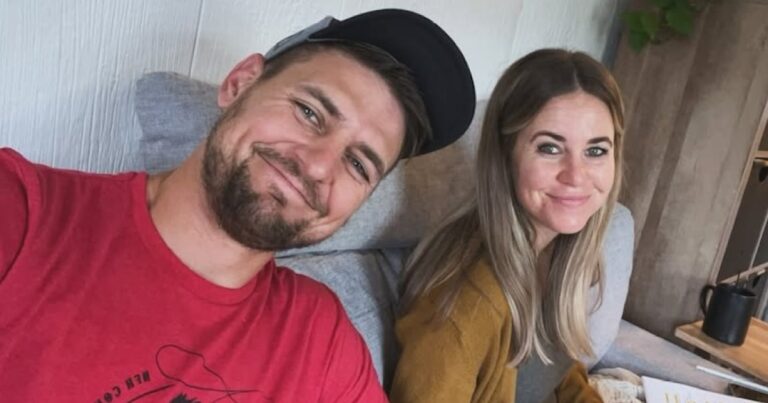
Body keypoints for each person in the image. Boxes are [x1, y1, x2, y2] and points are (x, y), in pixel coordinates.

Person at [0, 9, 475, 402]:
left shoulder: (320, 336)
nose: (317, 166)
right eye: (310, 112)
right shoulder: (24, 210)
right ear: (239, 83)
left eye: (357, 164)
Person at [391, 48, 625, 402]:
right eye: (549, 148)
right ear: (504, 156)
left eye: (595, 151)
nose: (576, 176)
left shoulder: (553, 252)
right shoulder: (463, 305)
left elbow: (558, 373)